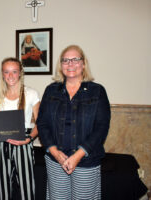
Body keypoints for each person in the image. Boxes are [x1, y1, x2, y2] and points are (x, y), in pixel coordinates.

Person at [37, 45, 111, 199]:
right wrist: (54, 152)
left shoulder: (97, 91)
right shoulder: (51, 90)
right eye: (65, 60)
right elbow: (42, 124)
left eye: (75, 59)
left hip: (86, 160)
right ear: (61, 65)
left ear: (83, 64)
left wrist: (78, 155)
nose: (70, 64)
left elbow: (101, 128)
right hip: (56, 161)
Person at [0, 57, 40, 200]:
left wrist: (28, 139)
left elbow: (40, 123)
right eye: (6, 72)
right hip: (1, 145)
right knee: (3, 188)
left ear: (20, 73)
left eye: (14, 72)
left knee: (26, 187)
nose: (10, 76)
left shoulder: (31, 94)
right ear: (2, 74)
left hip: (23, 142)